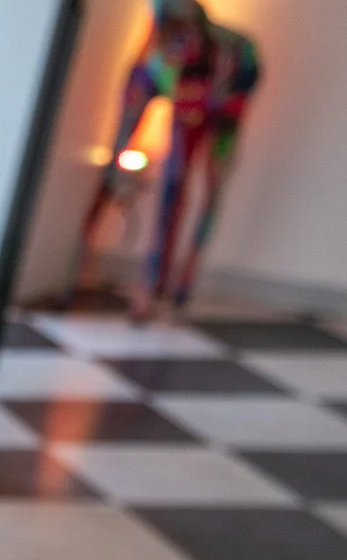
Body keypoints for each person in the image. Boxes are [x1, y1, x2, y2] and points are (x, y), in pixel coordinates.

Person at [80, 0, 260, 320]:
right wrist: (115, 165)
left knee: (202, 186)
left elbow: (224, 86)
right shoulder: (151, 65)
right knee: (168, 178)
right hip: (182, 82)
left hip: (223, 99)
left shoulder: (230, 54)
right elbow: (125, 128)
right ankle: (92, 266)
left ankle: (175, 279)